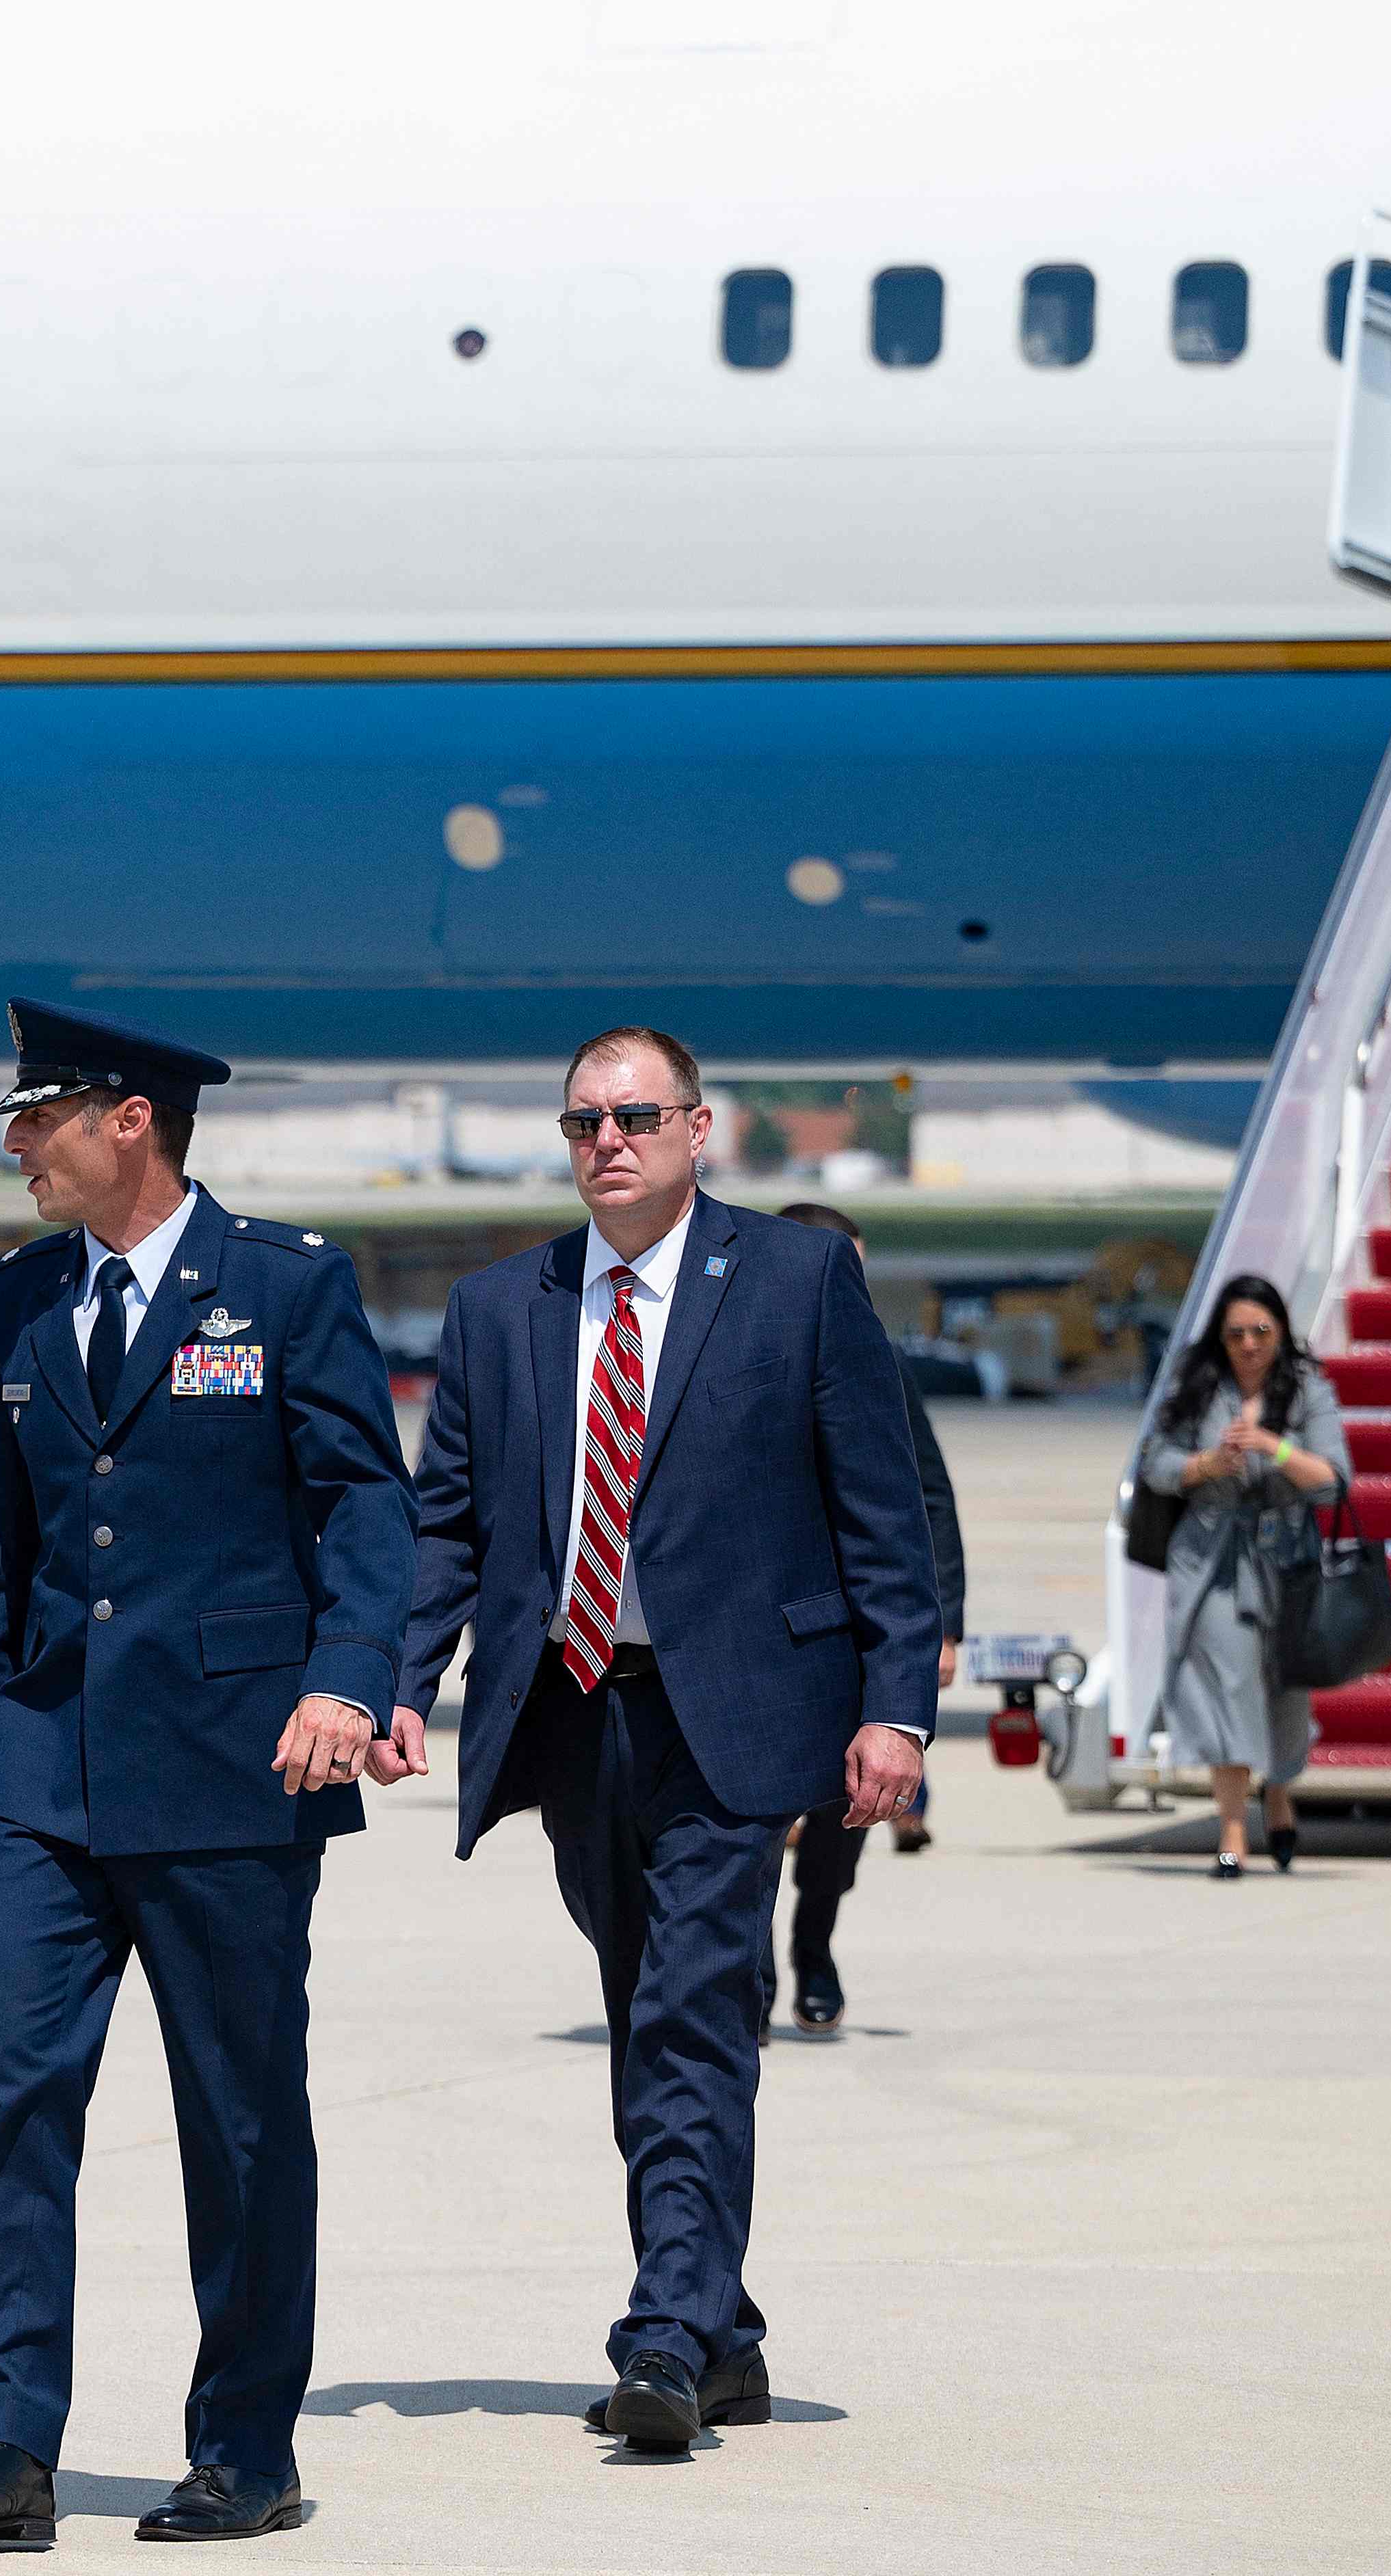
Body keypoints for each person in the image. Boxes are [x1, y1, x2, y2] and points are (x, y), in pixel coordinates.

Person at [0, 999, 416, 2549]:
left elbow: (364, 1504)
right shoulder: (23, 1293)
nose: (11, 1144)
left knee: (239, 2111)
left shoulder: (284, 1282)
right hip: (48, 1761)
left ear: (130, 1118)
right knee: (13, 2084)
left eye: (35, 1115)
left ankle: (246, 2442)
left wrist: (348, 1673)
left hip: (233, 1757)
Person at [364, 1027, 940, 2454]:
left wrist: (896, 1701)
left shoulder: (798, 1282)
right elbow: (449, 1522)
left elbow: (883, 1507)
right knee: (650, 2020)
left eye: (633, 1114)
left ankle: (664, 2333)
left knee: (691, 2008)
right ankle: (726, 2328)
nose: (606, 1139)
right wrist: (398, 1677)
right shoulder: (503, 1306)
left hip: (742, 1715)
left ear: (698, 1126)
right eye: (581, 1120)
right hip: (574, 1714)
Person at [766, 1203, 965, 2033]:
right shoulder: (728, 1348)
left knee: (842, 1814)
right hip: (756, 1631)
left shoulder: (878, 1357)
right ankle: (747, 1970)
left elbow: (927, 1496)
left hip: (852, 1631)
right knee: (745, 1822)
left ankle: (814, 1944)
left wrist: (943, 1624)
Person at [1135, 1275, 1349, 1880]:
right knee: (1223, 1685)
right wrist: (1207, 1464)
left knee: (1283, 1692)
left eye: (1261, 1332)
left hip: (1286, 1560)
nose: (1250, 1345)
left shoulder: (1308, 1391)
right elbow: (1155, 1462)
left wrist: (1272, 1448)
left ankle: (1277, 1791)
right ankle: (1232, 1831)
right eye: (1236, 1335)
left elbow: (1334, 1479)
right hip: (1209, 1559)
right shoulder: (1199, 1388)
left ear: (1281, 1332)